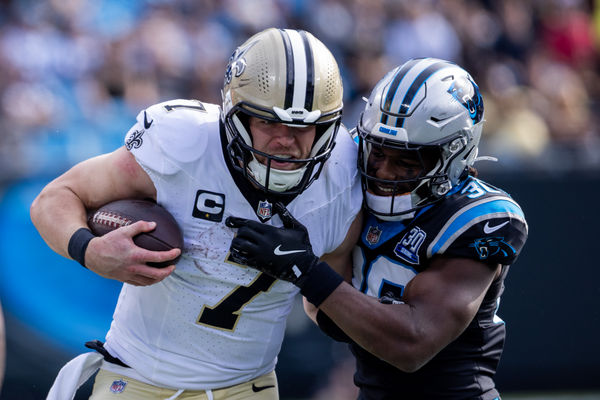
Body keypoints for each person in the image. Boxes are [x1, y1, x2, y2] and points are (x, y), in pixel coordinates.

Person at [30, 28, 362, 400]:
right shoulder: (182, 144)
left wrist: (307, 272)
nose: (285, 139)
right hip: (136, 376)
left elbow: (329, 305)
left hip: (247, 387)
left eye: (302, 126)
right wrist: (89, 251)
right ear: (236, 116)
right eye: (267, 121)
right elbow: (55, 197)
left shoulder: (341, 180)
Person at [226, 58, 529, 399]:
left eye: (406, 160)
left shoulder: (479, 218)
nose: (383, 172)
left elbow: (412, 344)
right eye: (377, 153)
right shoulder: (348, 177)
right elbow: (326, 317)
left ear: (455, 154)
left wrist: (307, 270)